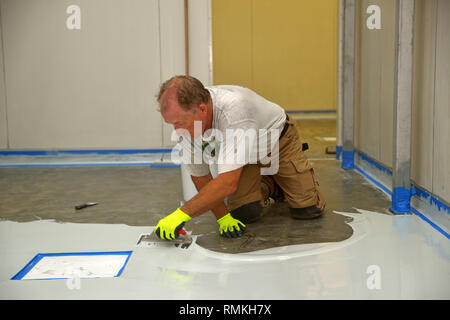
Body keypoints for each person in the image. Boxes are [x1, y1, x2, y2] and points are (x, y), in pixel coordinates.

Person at [154, 75, 325, 240]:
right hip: (246, 157)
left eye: (180, 123)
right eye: (172, 124)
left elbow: (227, 183)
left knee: (307, 210)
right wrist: (223, 218)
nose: (177, 131)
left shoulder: (235, 111)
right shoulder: (188, 124)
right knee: (244, 212)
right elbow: (201, 176)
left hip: (278, 142)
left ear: (202, 109)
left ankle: (285, 180)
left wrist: (180, 215)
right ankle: (271, 185)